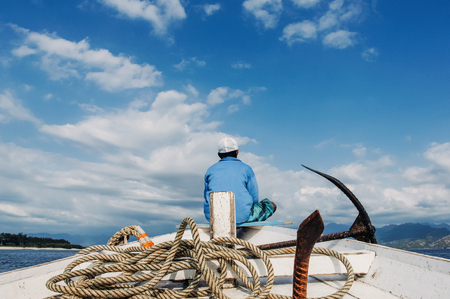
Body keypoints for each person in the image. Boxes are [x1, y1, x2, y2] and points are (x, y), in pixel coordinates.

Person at [204, 137, 277, 224]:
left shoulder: (210, 170)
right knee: (272, 205)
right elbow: (254, 199)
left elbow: (207, 197)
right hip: (243, 217)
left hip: (214, 218)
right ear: (237, 151)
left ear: (219, 154)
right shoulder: (246, 169)